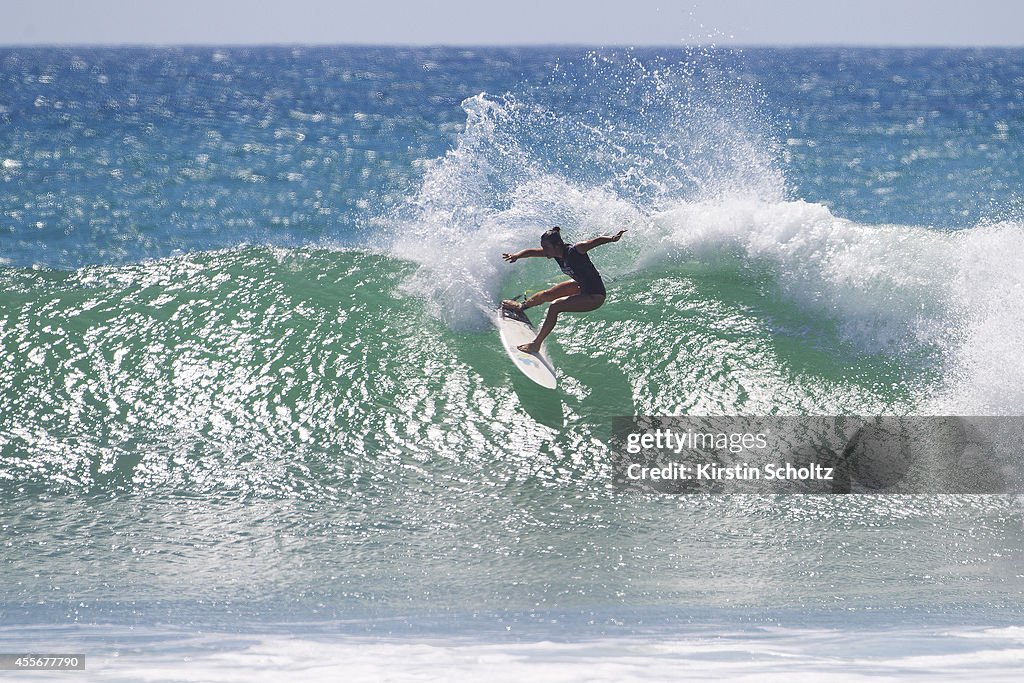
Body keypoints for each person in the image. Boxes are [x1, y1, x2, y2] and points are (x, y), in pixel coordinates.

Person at [501, 226, 626, 354]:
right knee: (547, 294)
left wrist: (612, 238)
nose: (544, 251)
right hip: (580, 286)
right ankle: (521, 307)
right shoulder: (554, 252)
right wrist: (516, 256)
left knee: (555, 306)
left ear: (558, 245)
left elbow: (594, 241)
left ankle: (535, 344)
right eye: (543, 247)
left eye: (547, 247)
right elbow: (531, 252)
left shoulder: (576, 250)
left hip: (595, 296)